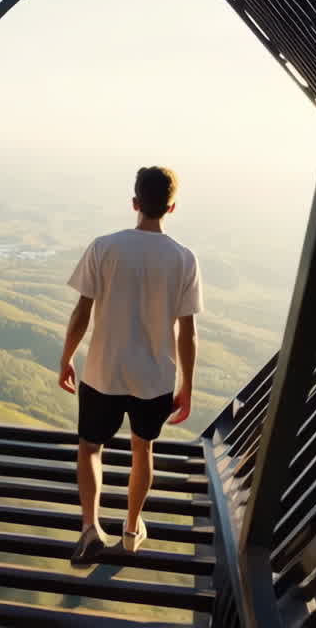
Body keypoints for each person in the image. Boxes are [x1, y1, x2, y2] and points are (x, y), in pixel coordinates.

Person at [59, 166, 203, 565]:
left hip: (103, 371)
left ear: (135, 203)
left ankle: (90, 527)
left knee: (90, 447)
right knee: (144, 449)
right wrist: (187, 383)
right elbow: (187, 333)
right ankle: (131, 527)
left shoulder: (104, 247)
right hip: (155, 378)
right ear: (171, 207)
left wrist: (67, 358)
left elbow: (81, 314)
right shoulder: (184, 259)